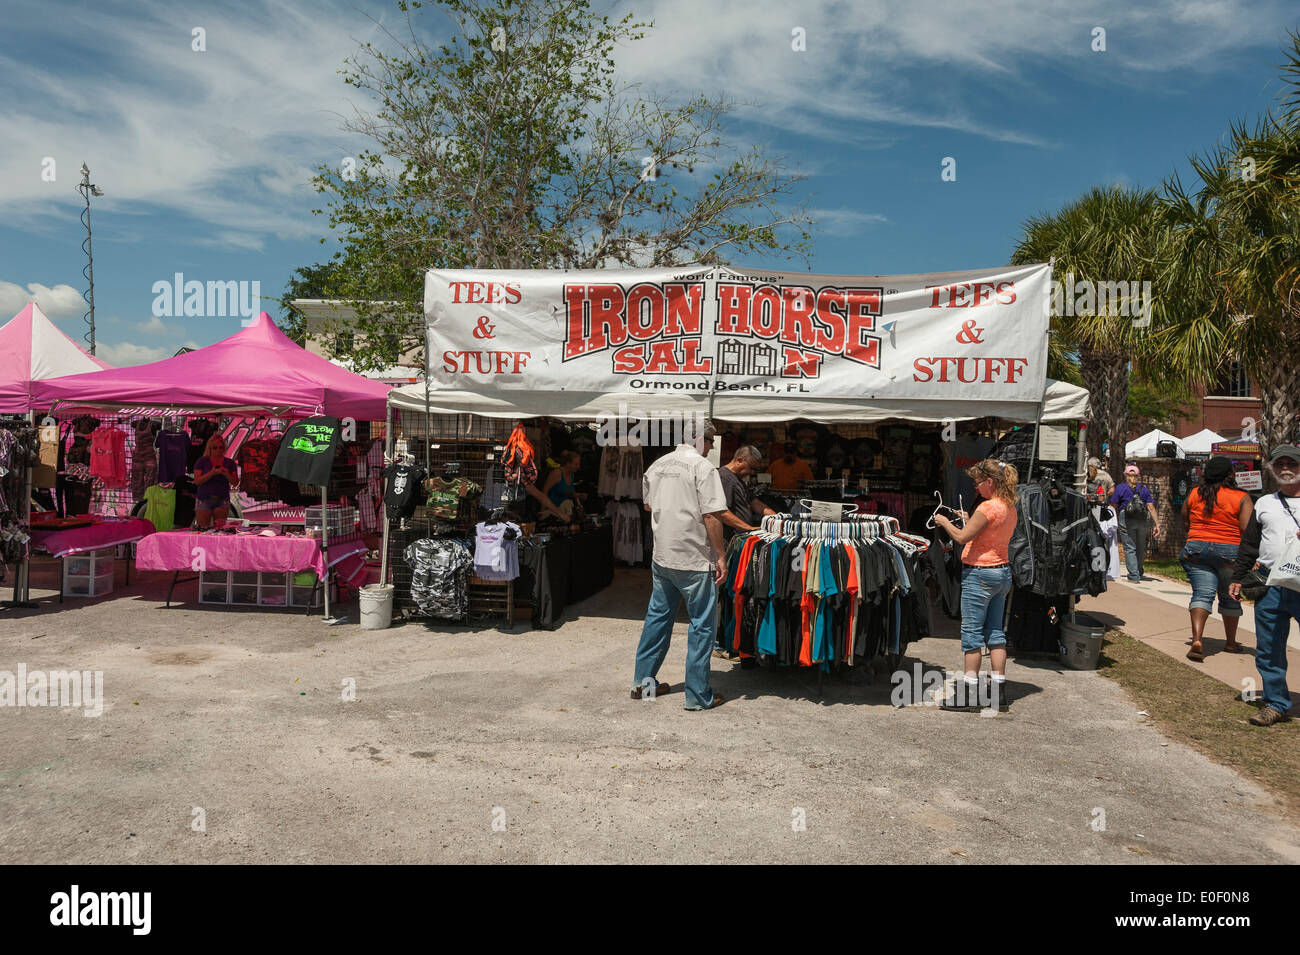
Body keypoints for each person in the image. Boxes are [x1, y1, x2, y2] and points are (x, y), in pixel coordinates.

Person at [631, 421, 728, 710]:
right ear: (700, 440)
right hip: (695, 558)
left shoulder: (657, 465)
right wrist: (720, 555)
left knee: (657, 619)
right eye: (710, 442)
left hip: (663, 556)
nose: (711, 448)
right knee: (701, 627)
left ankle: (643, 685)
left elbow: (649, 506)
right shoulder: (703, 468)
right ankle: (697, 696)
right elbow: (712, 516)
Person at [933, 458, 1020, 709]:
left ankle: (968, 694)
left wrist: (944, 522)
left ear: (990, 482)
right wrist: (971, 517)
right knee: (995, 632)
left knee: (971, 634)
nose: (976, 487)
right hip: (1001, 573)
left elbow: (961, 537)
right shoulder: (1009, 506)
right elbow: (989, 531)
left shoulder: (988, 507)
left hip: (980, 574)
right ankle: (998, 691)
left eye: (978, 482)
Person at [1230, 444, 1300, 726]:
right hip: (1270, 584)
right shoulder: (1264, 503)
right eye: (1279, 463)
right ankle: (1276, 703)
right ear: (1271, 468)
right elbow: (1250, 544)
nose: (1285, 468)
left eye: (1292, 464)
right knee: (1269, 647)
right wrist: (1238, 576)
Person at [1180, 456, 1252, 661]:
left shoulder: (1195, 493)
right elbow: (1247, 530)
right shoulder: (1242, 497)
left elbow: (1185, 517)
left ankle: (1197, 639)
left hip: (1196, 548)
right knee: (1230, 595)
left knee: (1202, 594)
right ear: (1231, 474)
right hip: (1230, 550)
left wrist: (1195, 536)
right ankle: (1230, 643)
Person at [713, 446, 777, 659]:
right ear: (740, 459)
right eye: (750, 467)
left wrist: (776, 518)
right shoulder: (723, 478)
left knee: (733, 592)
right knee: (724, 593)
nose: (751, 471)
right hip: (728, 543)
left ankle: (728, 640)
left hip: (740, 543)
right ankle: (718, 643)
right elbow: (721, 512)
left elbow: (755, 503)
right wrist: (748, 528)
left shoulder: (739, 481)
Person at [1112, 464, 1160, 582]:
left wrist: (1113, 518)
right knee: (1140, 546)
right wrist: (1157, 524)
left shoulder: (1121, 488)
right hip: (1142, 519)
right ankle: (1138, 570)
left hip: (1127, 518)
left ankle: (1134, 575)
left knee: (1129, 547)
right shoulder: (1143, 489)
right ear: (1138, 476)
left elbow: (1113, 504)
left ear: (1125, 475)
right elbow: (1151, 506)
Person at [193, 434, 239, 528]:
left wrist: (227, 474)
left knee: (220, 530)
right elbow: (197, 481)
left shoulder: (229, 463)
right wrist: (212, 473)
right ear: (210, 448)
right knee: (202, 528)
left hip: (222, 499)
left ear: (224, 448)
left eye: (221, 448)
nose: (218, 450)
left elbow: (235, 482)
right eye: (215, 448)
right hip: (204, 499)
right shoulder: (202, 461)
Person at [539, 450, 582, 522]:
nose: (578, 467)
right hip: (553, 510)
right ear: (568, 463)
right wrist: (542, 512)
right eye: (576, 464)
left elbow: (569, 493)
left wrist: (579, 495)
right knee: (568, 503)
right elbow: (545, 490)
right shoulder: (557, 473)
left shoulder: (571, 475)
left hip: (565, 510)